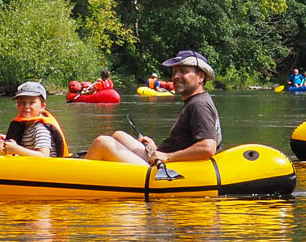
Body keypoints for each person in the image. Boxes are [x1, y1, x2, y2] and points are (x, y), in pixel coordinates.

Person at [86, 50, 221, 165]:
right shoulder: (194, 101)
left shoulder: (199, 105)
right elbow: (184, 142)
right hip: (160, 160)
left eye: (183, 71)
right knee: (118, 135)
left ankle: (77, 180)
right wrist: (157, 149)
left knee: (102, 143)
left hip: (163, 170)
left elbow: (207, 147)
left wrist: (167, 157)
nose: (176, 76)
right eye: (174, 72)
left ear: (201, 76)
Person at [0, 82, 68, 157]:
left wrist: (16, 149)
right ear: (17, 105)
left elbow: (44, 156)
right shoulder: (25, 125)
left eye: (31, 103)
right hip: (29, 164)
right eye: (22, 103)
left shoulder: (40, 129)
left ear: (42, 106)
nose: (26, 106)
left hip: (46, 167)